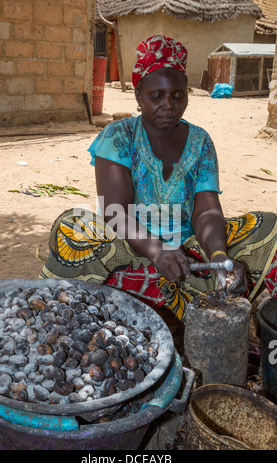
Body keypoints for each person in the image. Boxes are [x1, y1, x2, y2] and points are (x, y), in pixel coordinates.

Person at [40, 35, 277, 322]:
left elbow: (206, 209)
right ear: (139, 96)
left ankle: (204, 289)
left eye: (178, 95)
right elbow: (115, 211)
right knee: (73, 226)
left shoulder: (200, 141)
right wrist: (157, 250)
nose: (169, 105)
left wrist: (217, 256)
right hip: (129, 246)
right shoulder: (119, 136)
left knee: (270, 228)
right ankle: (177, 291)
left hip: (188, 248)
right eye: (157, 96)